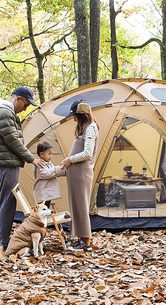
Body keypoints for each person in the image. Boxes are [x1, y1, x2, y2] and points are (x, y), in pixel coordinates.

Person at [0, 86, 45, 253]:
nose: (25, 109)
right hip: (7, 164)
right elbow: (13, 140)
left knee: (8, 201)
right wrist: (31, 159)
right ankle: (3, 244)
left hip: (9, 163)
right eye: (26, 105)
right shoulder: (4, 113)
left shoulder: (7, 113)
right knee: (8, 201)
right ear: (18, 98)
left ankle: (3, 241)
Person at [61, 100, 99, 251]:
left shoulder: (91, 128)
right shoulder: (86, 128)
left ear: (83, 115)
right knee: (76, 206)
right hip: (76, 174)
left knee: (81, 207)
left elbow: (87, 153)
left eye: (75, 115)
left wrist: (70, 159)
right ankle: (80, 239)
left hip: (82, 174)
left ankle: (86, 243)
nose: (74, 118)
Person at [33, 142, 66, 208]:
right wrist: (58, 168)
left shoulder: (49, 163)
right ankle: (39, 218)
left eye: (51, 154)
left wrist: (64, 171)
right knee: (42, 210)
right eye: (49, 154)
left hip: (47, 193)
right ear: (41, 154)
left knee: (46, 207)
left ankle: (45, 217)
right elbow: (46, 174)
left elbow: (54, 173)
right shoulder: (39, 164)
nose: (51, 156)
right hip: (42, 193)